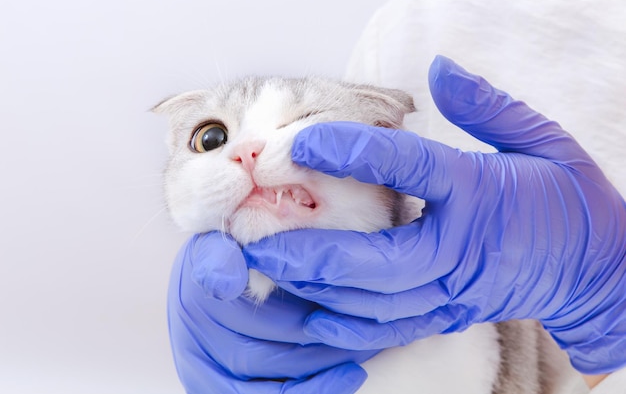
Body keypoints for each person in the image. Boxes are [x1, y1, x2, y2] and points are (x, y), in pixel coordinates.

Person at [167, 56, 626, 393]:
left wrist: (609, 296)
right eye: (211, 137)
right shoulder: (409, 21)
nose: (245, 153)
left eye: (304, 121)